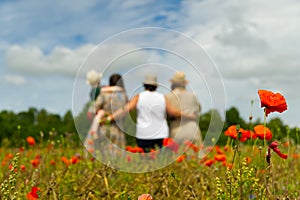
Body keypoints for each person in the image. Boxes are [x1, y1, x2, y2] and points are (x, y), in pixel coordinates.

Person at [100, 73, 195, 152]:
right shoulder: (162, 97)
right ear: (156, 86)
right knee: (159, 161)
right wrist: (188, 115)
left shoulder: (138, 97)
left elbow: (125, 109)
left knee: (145, 161)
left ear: (144, 85)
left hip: (143, 134)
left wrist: (110, 118)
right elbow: (173, 112)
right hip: (161, 135)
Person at [165, 71, 202, 146]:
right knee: (195, 156)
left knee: (177, 156)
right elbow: (199, 109)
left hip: (177, 128)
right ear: (184, 84)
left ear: (173, 84)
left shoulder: (168, 96)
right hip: (193, 129)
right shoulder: (193, 96)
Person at [95, 74, 128, 149]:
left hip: (105, 127)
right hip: (119, 128)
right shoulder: (124, 95)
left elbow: (96, 107)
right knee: (119, 154)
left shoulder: (104, 94)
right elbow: (126, 112)